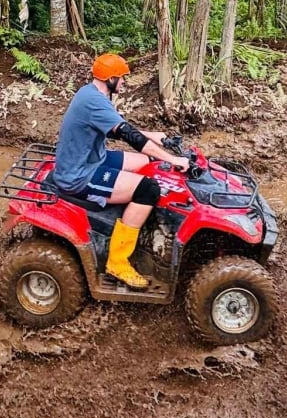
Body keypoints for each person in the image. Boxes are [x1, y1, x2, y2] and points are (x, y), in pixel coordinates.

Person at [50, 53, 188, 289]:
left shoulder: (91, 93)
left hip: (91, 159)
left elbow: (116, 130)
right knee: (149, 189)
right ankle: (118, 261)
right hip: (79, 175)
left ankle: (137, 221)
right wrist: (172, 159)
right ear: (111, 79)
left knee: (145, 162)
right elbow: (127, 134)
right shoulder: (95, 101)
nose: (125, 82)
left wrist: (156, 138)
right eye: (122, 78)